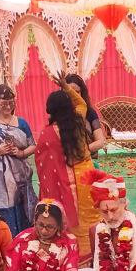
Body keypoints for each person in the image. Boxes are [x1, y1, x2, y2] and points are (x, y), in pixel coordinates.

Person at [35, 75, 97, 254]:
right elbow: (82, 104)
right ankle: (95, 252)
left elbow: (41, 162)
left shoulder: (47, 134)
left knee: (74, 221)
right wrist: (66, 87)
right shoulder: (78, 119)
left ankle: (79, 256)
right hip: (87, 174)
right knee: (91, 216)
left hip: (67, 182)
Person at [0, 83, 37, 233]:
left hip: (21, 175)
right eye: (4, 102)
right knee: (6, 209)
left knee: (25, 208)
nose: (8, 106)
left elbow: (33, 145)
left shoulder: (22, 123)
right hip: (0, 180)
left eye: (11, 102)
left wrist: (21, 153)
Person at [65, 73, 108, 156]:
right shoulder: (59, 114)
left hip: (88, 160)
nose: (73, 95)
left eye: (77, 92)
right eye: (70, 92)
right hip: (67, 161)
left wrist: (81, 153)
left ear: (82, 93)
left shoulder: (90, 113)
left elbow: (100, 141)